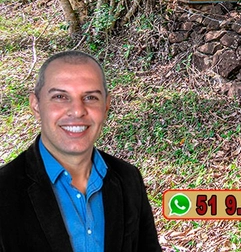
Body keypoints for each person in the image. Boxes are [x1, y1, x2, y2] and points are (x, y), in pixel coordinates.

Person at [0, 50, 161, 252]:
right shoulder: (4, 190)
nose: (77, 111)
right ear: (36, 106)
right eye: (60, 96)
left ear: (106, 106)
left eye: (90, 97)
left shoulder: (128, 179)